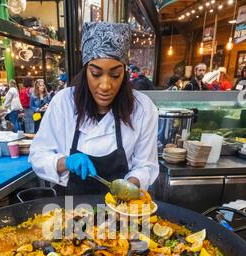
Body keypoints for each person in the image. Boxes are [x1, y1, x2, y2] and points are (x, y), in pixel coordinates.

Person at [30, 22, 159, 195]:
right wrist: (65, 162)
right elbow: (38, 156)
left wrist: (129, 187)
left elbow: (145, 166)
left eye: (115, 75)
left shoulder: (142, 108)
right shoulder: (63, 102)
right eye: (96, 74)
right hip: (69, 210)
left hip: (120, 209)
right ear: (85, 72)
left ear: (125, 73)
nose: (105, 85)